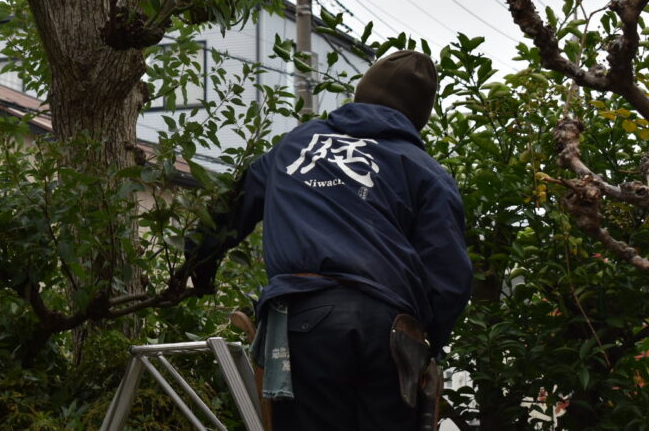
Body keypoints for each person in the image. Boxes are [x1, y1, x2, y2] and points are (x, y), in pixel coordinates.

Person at [183, 50, 472, 430]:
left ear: (361, 93)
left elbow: (230, 209)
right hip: (389, 329)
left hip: (306, 321)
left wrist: (199, 270)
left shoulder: (297, 144)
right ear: (419, 114)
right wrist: (427, 342)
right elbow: (449, 275)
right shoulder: (424, 170)